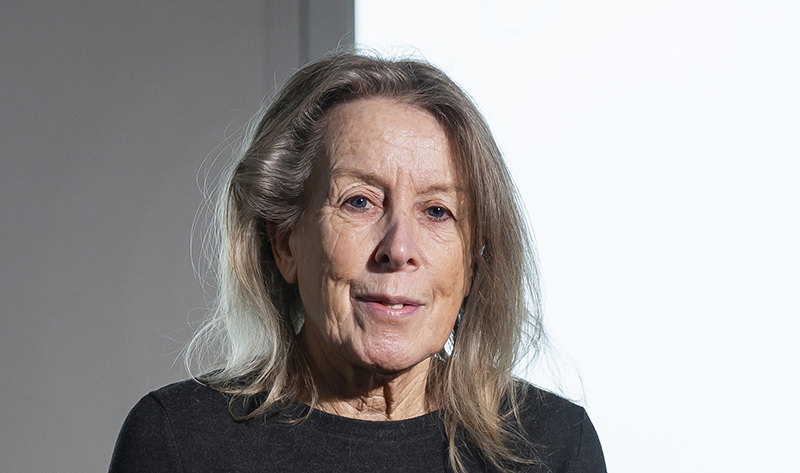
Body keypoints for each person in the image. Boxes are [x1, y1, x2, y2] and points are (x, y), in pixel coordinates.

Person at [109, 52, 606, 473]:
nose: (398, 248)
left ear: (474, 262)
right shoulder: (177, 441)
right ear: (285, 243)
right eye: (360, 202)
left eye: (437, 211)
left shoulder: (554, 446)